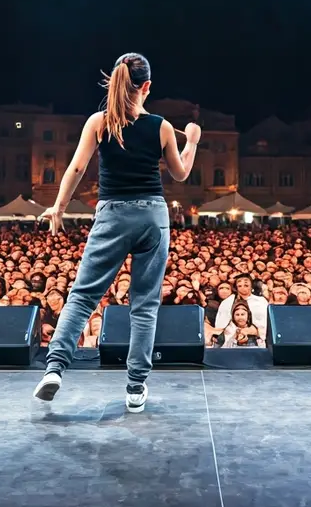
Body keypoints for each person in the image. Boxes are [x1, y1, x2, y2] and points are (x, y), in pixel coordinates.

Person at [32, 53, 201, 413]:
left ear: (115, 82)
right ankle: (136, 387)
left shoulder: (99, 122)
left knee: (82, 297)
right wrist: (192, 142)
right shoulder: (162, 127)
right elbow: (181, 174)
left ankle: (54, 369)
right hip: (152, 215)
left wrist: (58, 208)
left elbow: (77, 168)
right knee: (144, 305)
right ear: (147, 86)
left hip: (112, 214)